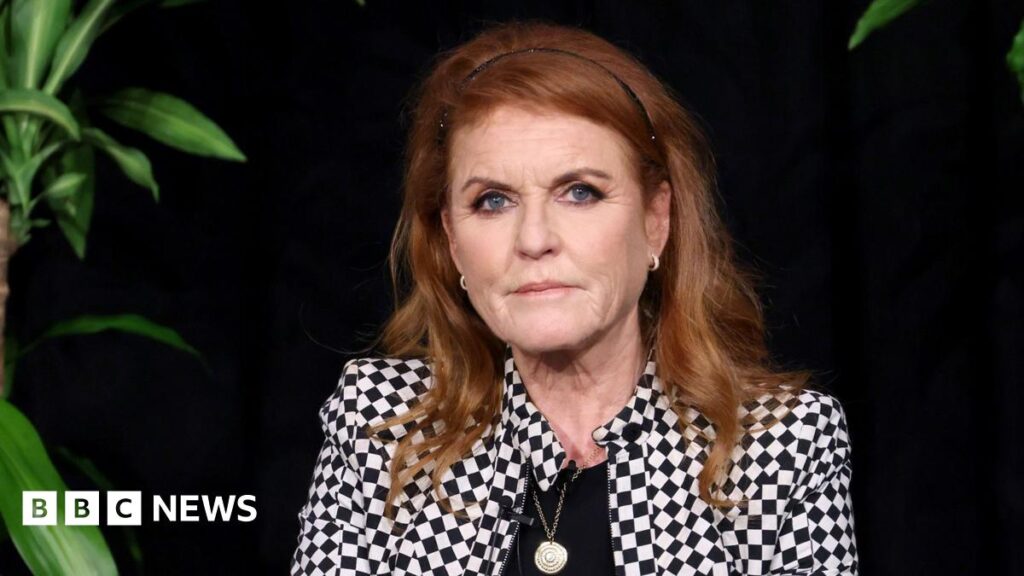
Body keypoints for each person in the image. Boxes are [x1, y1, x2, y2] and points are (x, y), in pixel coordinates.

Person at [291, 20, 858, 576]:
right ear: (453, 242)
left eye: (580, 192)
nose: (534, 240)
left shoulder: (782, 444)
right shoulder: (384, 426)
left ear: (655, 220)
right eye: (493, 201)